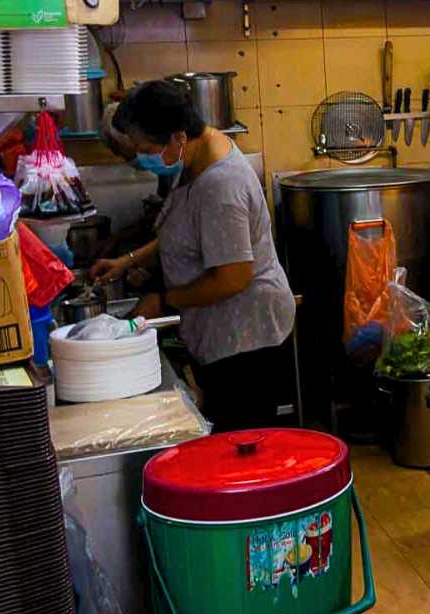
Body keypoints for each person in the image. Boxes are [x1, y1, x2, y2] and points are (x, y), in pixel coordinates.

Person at [96, 79, 295, 432]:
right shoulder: (194, 154)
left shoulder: (222, 185)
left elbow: (233, 277)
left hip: (245, 339)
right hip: (220, 332)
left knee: (243, 445)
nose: (141, 158)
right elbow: (184, 232)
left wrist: (164, 301)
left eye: (144, 149)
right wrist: (129, 260)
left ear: (177, 137)